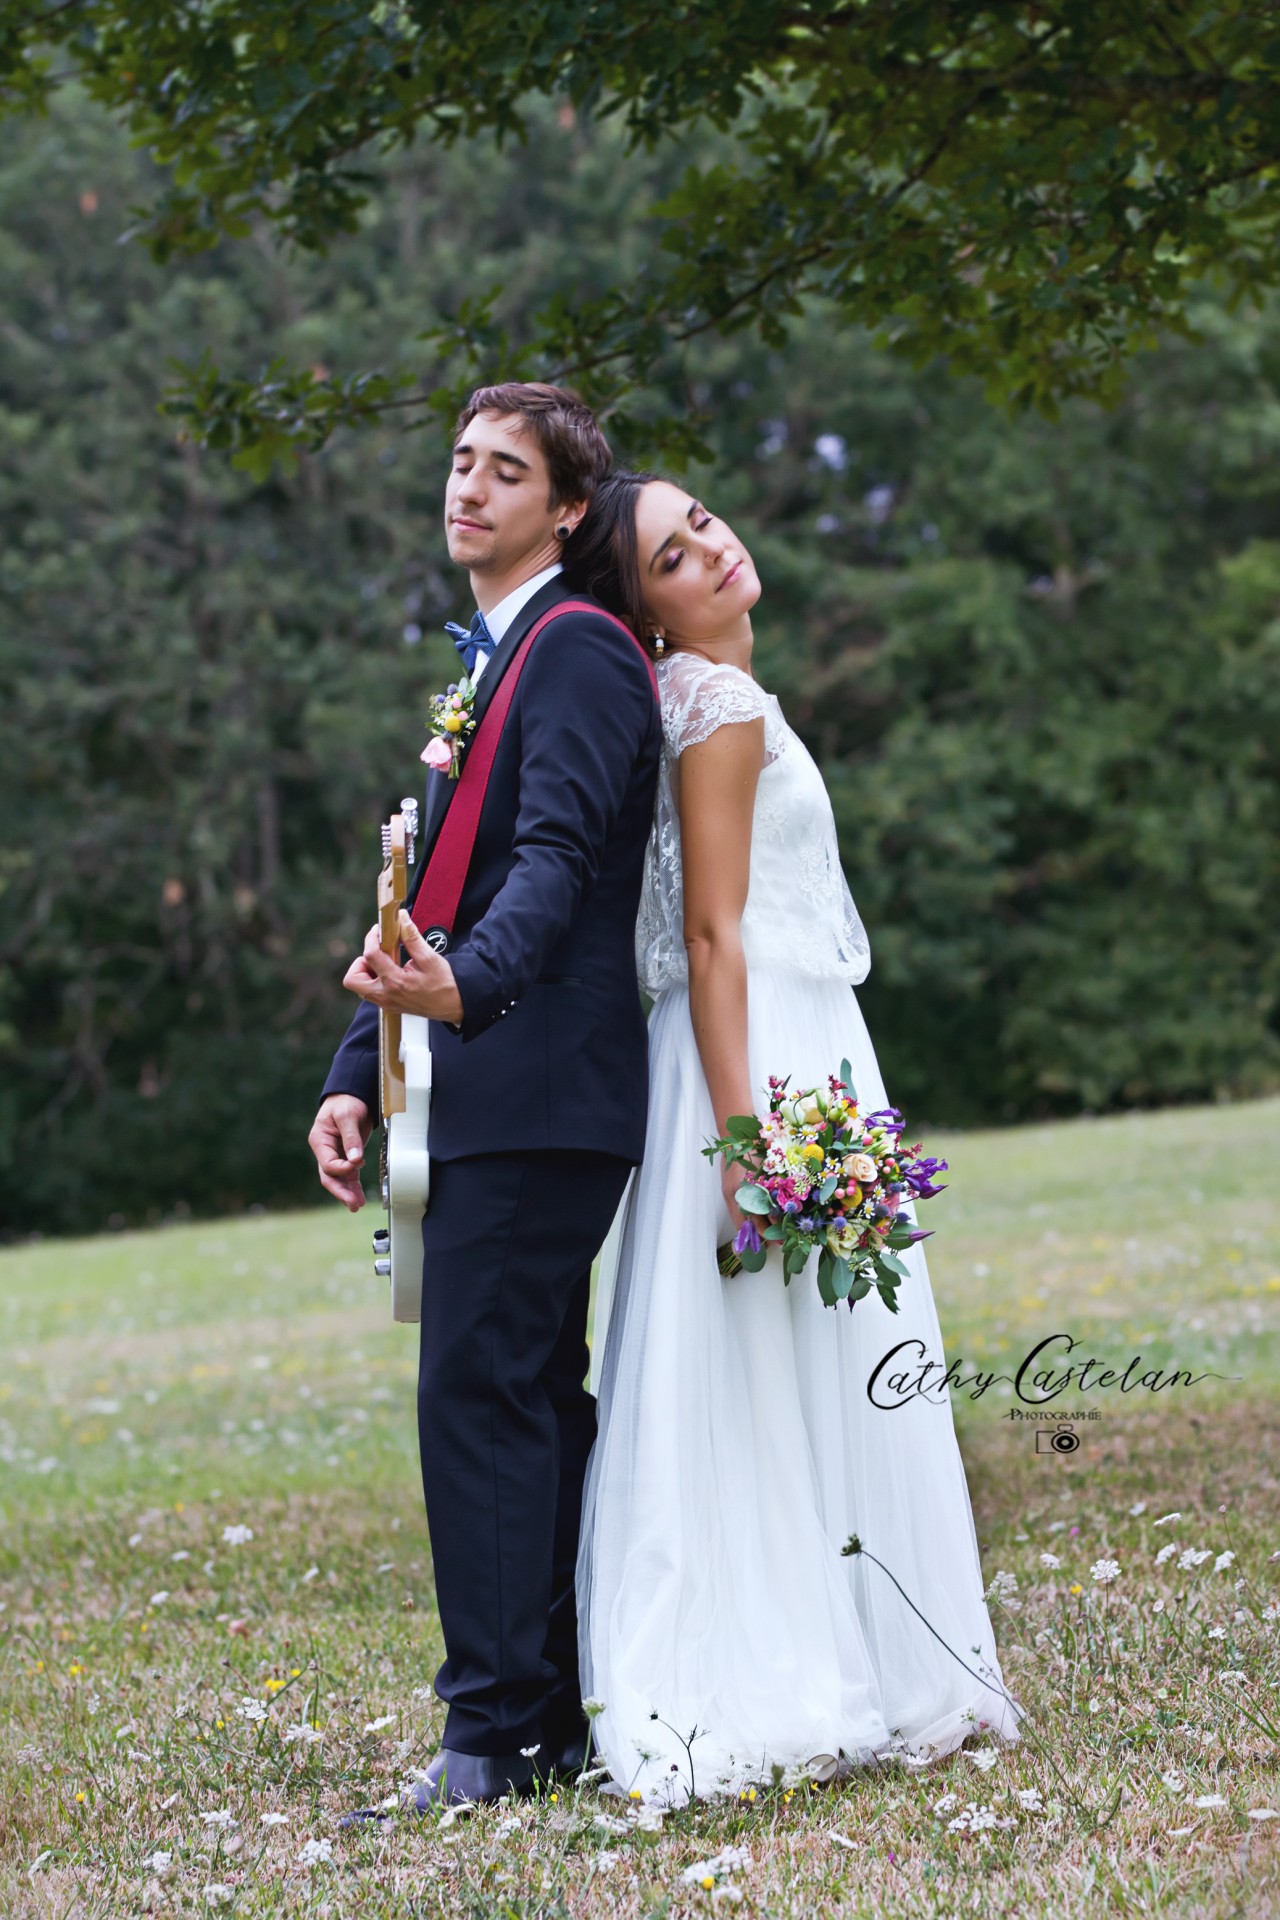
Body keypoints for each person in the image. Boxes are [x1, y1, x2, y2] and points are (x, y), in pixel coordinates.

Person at [564, 473, 1022, 1805]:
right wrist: (746, 1146)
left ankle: (849, 1647)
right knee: (767, 1352)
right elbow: (713, 937)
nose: (710, 549)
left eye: (702, 522)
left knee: (795, 1353)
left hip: (787, 1041)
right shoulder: (711, 705)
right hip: (755, 1056)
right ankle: (772, 1669)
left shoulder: (710, 695)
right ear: (645, 609)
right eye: (670, 555)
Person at [306, 387, 662, 1812]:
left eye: (505, 471)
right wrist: (355, 1074)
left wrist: (471, 987)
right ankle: (548, 1720)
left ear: (567, 510)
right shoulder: (498, 658)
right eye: (460, 462)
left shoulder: (577, 649)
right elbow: (431, 891)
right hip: (483, 1085)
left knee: (479, 1394)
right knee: (523, 1398)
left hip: (541, 1084)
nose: (467, 487)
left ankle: (494, 1738)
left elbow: (557, 859)